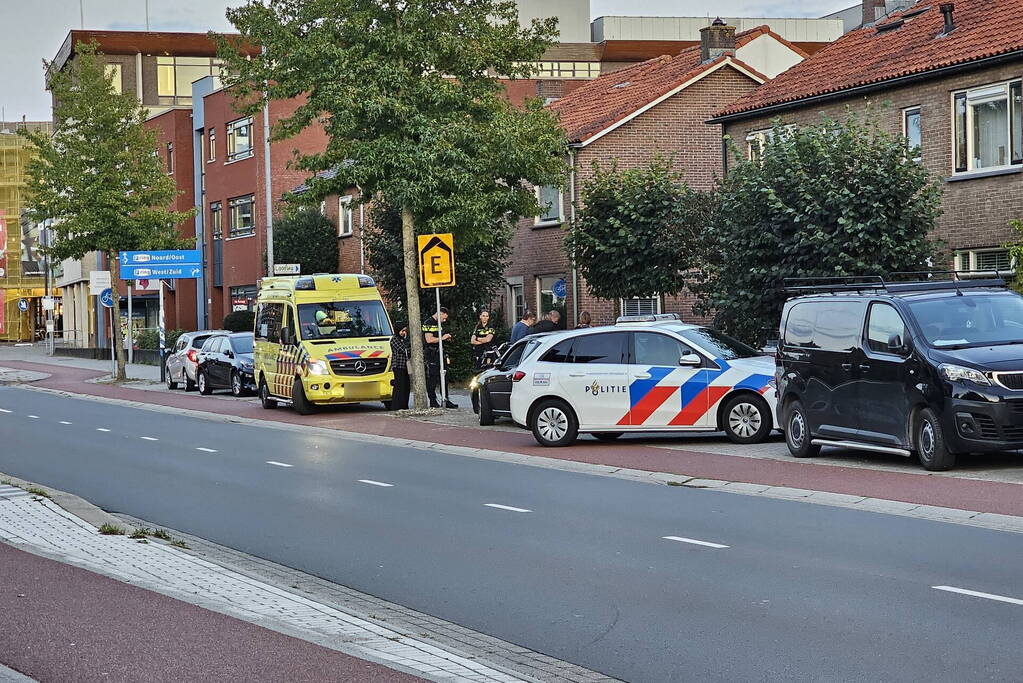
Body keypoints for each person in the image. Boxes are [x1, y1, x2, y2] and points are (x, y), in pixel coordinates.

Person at [422, 307, 457, 409]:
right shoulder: (428, 323)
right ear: (440, 313)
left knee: (444, 375)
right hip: (432, 354)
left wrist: (447, 338)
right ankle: (433, 400)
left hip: (440, 352)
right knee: (432, 377)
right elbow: (429, 339)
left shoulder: (439, 324)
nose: (444, 320)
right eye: (444, 318)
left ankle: (445, 399)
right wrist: (443, 338)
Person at [389, 326, 411, 410]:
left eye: (405, 331)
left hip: (405, 366)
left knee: (406, 386)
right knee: (399, 386)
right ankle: (396, 406)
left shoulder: (403, 340)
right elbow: (403, 350)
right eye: (402, 331)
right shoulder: (394, 339)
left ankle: (404, 405)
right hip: (398, 365)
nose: (403, 333)